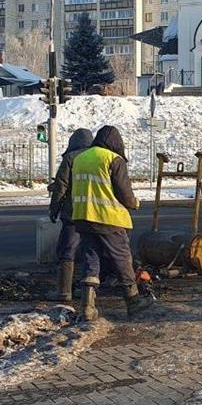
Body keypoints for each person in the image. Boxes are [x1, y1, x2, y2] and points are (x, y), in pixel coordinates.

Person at [71, 125, 153, 321]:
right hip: (108, 218)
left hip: (83, 217)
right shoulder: (112, 159)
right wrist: (134, 203)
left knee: (91, 258)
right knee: (122, 258)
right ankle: (133, 302)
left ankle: (87, 306)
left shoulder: (80, 158)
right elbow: (124, 193)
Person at [46, 127, 94, 302]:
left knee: (67, 251)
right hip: (94, 213)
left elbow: (61, 186)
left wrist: (54, 209)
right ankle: (86, 291)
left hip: (73, 213)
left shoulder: (70, 158)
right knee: (89, 252)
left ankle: (64, 291)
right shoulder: (98, 157)